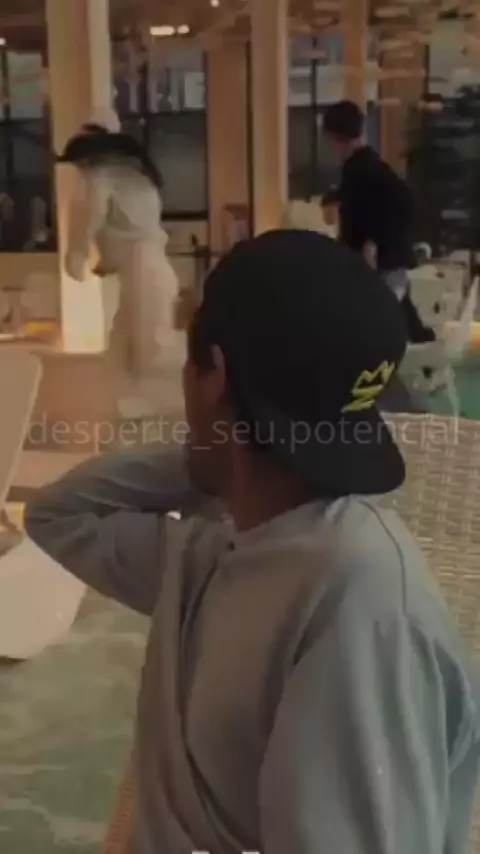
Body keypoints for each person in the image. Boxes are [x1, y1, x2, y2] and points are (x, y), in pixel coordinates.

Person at [26, 231, 479, 854]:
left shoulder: (357, 608)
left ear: (212, 376)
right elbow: (58, 515)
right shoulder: (209, 554)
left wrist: (222, 445)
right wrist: (223, 457)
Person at [58, 109, 186, 418]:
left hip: (142, 272)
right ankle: (130, 411)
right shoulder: (137, 177)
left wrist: (75, 257)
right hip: (149, 270)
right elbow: (127, 230)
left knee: (149, 351)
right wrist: (106, 262)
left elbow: (87, 220)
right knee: (124, 350)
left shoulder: (99, 179)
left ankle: (208, 373)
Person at [323, 100, 434, 343]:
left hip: (378, 257)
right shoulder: (361, 165)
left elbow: (399, 202)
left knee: (382, 314)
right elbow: (368, 200)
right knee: (392, 311)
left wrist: (373, 241)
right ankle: (420, 342)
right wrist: (333, 198)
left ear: (336, 137)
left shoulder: (362, 167)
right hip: (378, 257)